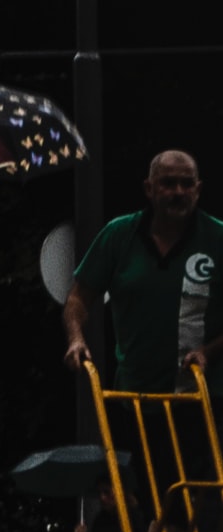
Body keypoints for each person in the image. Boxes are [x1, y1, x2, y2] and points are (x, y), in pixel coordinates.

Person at [64, 149, 223, 388]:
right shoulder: (119, 235)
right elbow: (78, 298)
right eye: (168, 183)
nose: (179, 192)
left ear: (198, 190)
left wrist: (207, 352)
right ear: (149, 188)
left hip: (206, 394)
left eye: (187, 184)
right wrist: (76, 338)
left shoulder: (217, 237)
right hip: (134, 393)